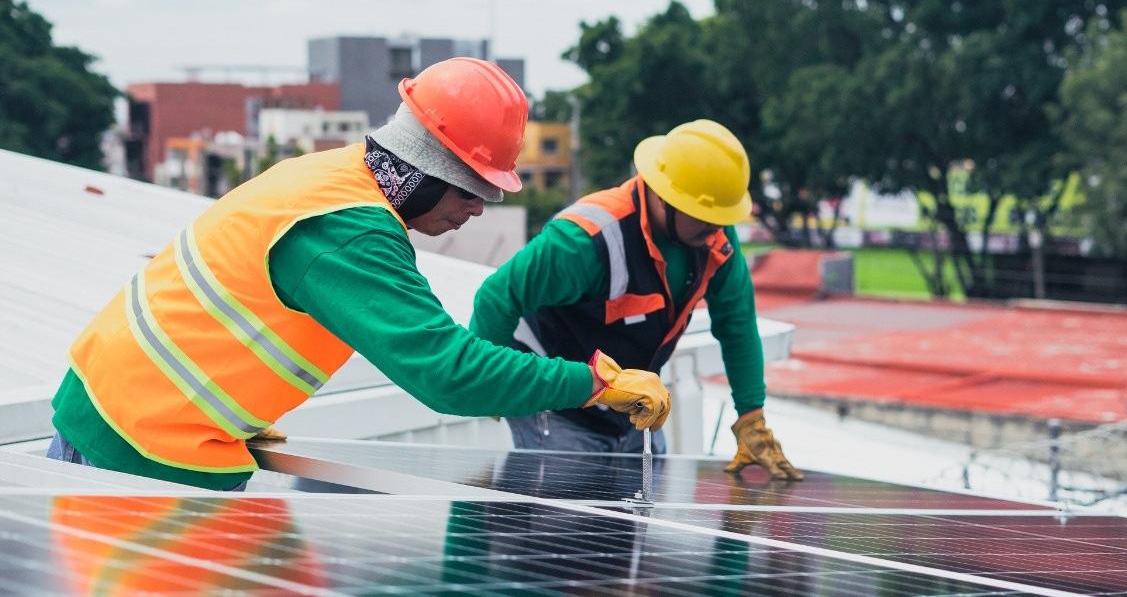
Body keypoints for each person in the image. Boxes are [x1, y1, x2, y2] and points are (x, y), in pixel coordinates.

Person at [45, 57, 670, 490]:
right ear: (429, 167)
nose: (478, 208)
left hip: (135, 416)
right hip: (137, 443)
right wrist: (592, 383)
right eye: (473, 188)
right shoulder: (350, 231)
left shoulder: (334, 176)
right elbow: (446, 374)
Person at [470, 119, 801, 480]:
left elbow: (737, 325)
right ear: (664, 197)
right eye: (706, 217)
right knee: (568, 519)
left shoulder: (714, 241)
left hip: (633, 407)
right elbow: (496, 298)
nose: (716, 230)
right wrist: (491, 385)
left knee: (635, 521)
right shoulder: (585, 240)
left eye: (721, 219)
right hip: (558, 406)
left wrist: (751, 416)